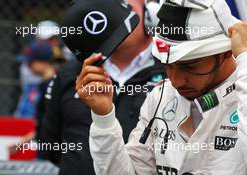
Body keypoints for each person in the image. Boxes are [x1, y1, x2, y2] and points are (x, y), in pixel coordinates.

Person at [76, 0, 247, 174]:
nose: (176, 81)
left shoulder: (242, 93)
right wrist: (104, 118)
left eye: (190, 66)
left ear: (227, 51)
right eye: (167, 65)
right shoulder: (160, 96)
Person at [40, 0, 164, 174]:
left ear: (151, 13)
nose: (113, 11)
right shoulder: (69, 73)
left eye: (124, 5)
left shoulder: (174, 70)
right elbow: (51, 145)